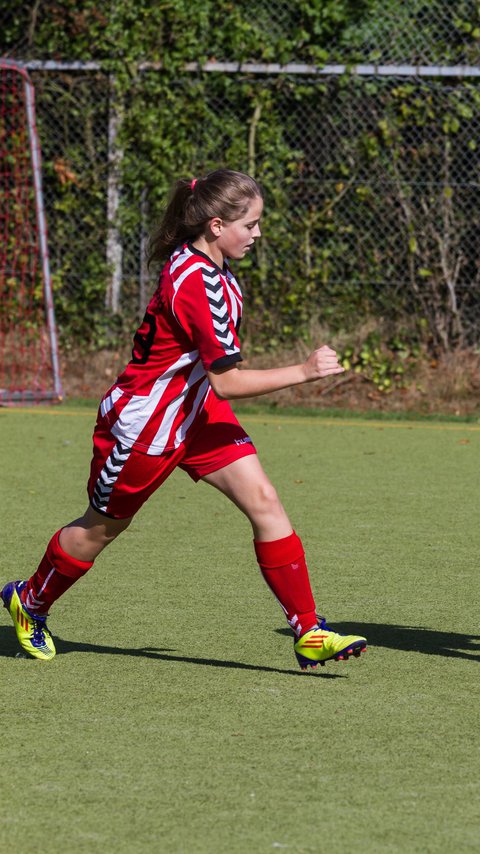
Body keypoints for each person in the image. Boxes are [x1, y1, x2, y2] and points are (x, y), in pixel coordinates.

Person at [2, 169, 366, 670]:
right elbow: (228, 381)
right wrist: (304, 372)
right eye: (251, 225)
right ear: (217, 225)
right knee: (99, 531)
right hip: (144, 426)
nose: (258, 235)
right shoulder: (199, 282)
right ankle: (31, 601)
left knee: (264, 501)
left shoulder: (213, 269)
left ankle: (308, 631)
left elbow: (208, 380)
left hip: (195, 412)